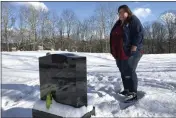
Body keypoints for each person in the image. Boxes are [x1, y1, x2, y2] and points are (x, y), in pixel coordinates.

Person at [110, 5, 144, 102]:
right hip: (120, 51)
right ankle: (127, 90)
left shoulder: (133, 20)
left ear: (127, 12)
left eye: (122, 12)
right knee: (123, 70)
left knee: (129, 70)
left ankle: (133, 93)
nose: (120, 14)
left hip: (132, 50)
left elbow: (139, 33)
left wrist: (134, 45)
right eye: (119, 12)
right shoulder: (118, 23)